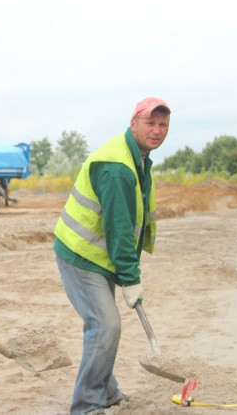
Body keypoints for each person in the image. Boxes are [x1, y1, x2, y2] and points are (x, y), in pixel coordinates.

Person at [53, 97, 171, 415]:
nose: (157, 130)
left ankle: (106, 391)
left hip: (99, 256)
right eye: (150, 123)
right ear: (134, 123)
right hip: (80, 254)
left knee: (101, 325)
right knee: (105, 325)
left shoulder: (139, 158)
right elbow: (120, 229)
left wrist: (125, 272)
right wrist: (131, 279)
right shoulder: (119, 168)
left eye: (163, 125)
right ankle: (87, 406)